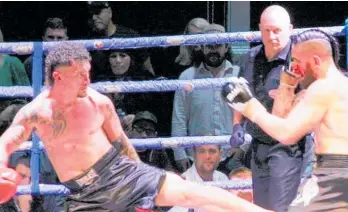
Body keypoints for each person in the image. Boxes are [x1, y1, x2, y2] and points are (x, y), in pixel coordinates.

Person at [0, 42, 271, 212]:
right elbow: (7, 141)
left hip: (121, 173)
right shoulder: (35, 113)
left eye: (88, 72)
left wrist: (142, 178)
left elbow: (122, 144)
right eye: (79, 75)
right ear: (58, 77)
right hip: (84, 194)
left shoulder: (98, 102)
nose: (87, 80)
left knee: (191, 192)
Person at [222, 28, 348, 211]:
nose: (293, 67)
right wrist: (287, 84)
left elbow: (286, 133)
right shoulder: (337, 85)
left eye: (296, 62)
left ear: (315, 61)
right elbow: (280, 118)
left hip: (335, 172)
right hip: (333, 171)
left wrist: (250, 107)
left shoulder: (322, 88)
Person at [230, 5, 314, 211]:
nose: (272, 36)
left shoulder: (301, 60)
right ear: (259, 29)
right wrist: (236, 126)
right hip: (259, 142)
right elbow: (240, 94)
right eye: (267, 30)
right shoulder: (250, 58)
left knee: (280, 205)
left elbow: (316, 101)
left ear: (290, 29)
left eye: (277, 30)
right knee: (261, 206)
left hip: (289, 145)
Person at [171, 23, 240, 173]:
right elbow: (179, 118)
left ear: (226, 47)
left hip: (231, 155)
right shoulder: (187, 77)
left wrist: (242, 148)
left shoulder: (237, 75)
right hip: (195, 158)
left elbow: (248, 115)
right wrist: (179, 153)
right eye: (209, 46)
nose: (213, 50)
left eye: (218, 45)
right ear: (202, 47)